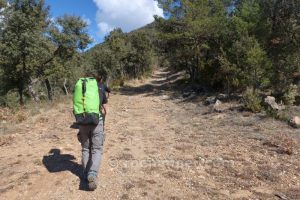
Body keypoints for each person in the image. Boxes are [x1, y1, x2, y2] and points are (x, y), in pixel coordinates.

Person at [77, 74, 105, 191]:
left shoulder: (81, 88)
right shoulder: (99, 87)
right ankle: (92, 174)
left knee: (85, 149)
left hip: (83, 122)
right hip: (96, 121)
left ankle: (85, 174)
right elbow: (104, 101)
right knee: (96, 149)